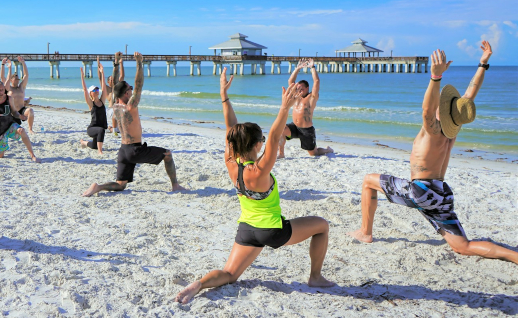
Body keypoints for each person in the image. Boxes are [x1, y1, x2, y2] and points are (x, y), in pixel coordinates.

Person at [174, 68, 335, 304]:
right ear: (256, 145)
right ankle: (315, 277)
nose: (263, 141)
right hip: (272, 231)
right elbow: (274, 137)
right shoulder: (259, 170)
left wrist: (224, 95)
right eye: (260, 140)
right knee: (321, 226)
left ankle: (199, 284)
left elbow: (232, 129)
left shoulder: (231, 162)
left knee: (229, 274)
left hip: (247, 230)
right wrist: (283, 109)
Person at [348, 43, 518, 264]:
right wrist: (483, 63)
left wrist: (435, 77)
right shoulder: (453, 129)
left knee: (368, 181)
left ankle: (365, 232)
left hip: (420, 191)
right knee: (462, 246)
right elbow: (469, 97)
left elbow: (427, 110)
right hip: (442, 194)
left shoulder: (434, 128)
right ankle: (513, 256)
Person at [82, 52, 186, 196]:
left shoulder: (114, 104)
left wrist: (116, 64)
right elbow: (139, 84)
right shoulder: (131, 106)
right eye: (130, 89)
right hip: (134, 150)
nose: (132, 90)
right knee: (167, 154)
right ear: (126, 94)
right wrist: (139, 63)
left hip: (123, 151)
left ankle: (98, 187)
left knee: (120, 185)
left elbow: (117, 84)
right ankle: (175, 185)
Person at [277, 58, 333, 158]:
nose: (299, 90)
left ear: (307, 88)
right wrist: (298, 68)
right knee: (281, 129)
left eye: (302, 89)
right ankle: (281, 154)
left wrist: (312, 67)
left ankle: (327, 150)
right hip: (295, 127)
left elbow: (316, 81)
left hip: (307, 130)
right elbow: (290, 81)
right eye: (298, 88)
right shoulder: (296, 96)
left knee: (313, 153)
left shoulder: (312, 97)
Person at [0, 73, 40, 162]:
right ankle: (0, 147)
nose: (2, 92)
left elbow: (14, 111)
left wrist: (20, 116)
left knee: (22, 131)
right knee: (0, 156)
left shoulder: (9, 98)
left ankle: (32, 155)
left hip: (10, 126)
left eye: (3, 90)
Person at [79, 63, 110, 155]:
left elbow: (104, 87)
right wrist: (82, 77)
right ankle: (100, 152)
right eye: (94, 90)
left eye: (97, 90)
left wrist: (102, 72)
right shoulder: (91, 104)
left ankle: (84, 142)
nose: (97, 91)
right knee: (101, 130)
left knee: (94, 146)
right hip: (92, 129)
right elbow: (85, 90)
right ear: (91, 93)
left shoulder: (102, 101)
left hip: (100, 128)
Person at [1, 56, 36, 134]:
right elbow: (2, 77)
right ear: (11, 80)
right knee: (12, 129)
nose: (17, 80)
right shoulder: (8, 88)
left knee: (30, 110)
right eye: (16, 79)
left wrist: (23, 63)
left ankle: (30, 129)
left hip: (21, 110)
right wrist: (3, 65)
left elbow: (26, 75)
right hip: (12, 112)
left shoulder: (21, 87)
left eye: (18, 79)